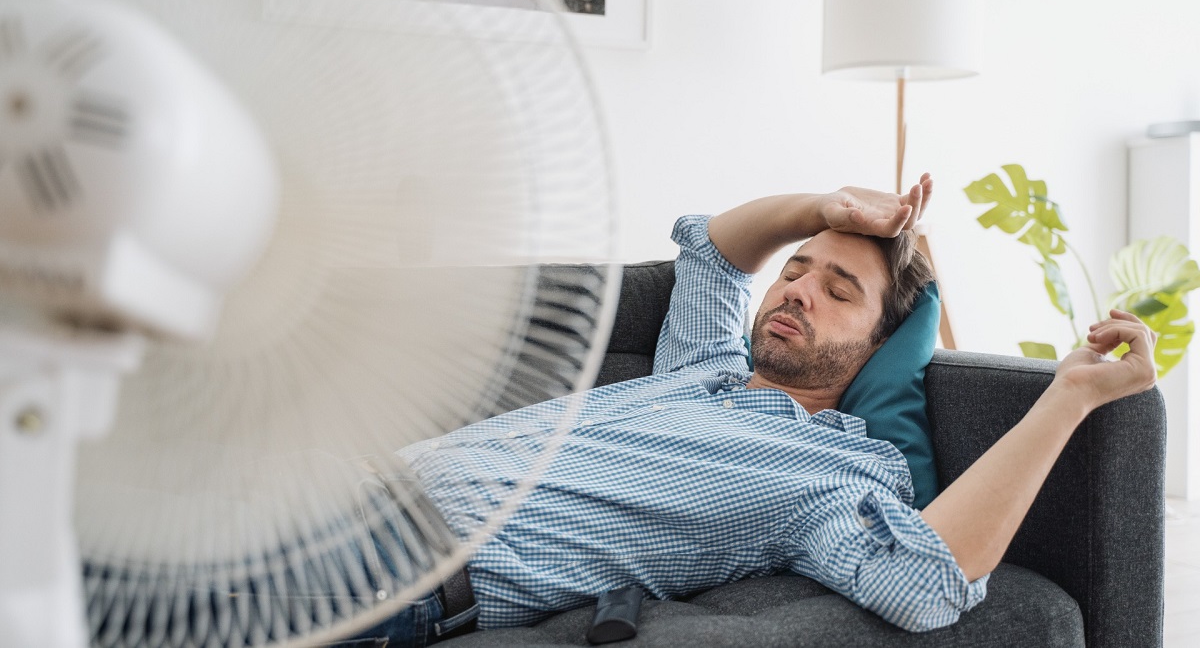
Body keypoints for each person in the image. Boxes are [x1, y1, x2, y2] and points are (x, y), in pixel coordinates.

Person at [361, 173, 1157, 645]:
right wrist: (826, 207)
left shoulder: (835, 467)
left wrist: (1070, 395)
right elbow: (712, 247)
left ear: (879, 344)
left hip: (399, 566)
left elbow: (927, 579)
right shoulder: (704, 365)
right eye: (796, 272)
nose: (798, 289)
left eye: (838, 291)